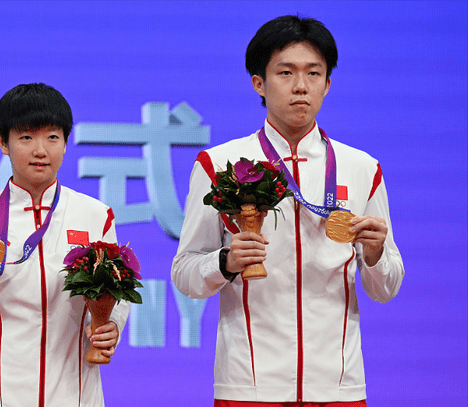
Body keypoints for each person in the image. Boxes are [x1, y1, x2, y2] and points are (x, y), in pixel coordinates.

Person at [171, 15, 404, 407]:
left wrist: (376, 254)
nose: (301, 86)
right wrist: (225, 262)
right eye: (286, 72)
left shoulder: (363, 168)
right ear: (258, 83)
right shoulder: (219, 164)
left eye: (314, 73)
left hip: (338, 386)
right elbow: (184, 273)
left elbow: (385, 289)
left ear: (327, 84)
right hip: (249, 385)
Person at [0, 83, 129, 406]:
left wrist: (112, 324)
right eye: (26, 137)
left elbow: (115, 295)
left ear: (66, 142)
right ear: (3, 142)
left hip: (76, 398)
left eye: (52, 137)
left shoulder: (96, 217)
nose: (40, 150)